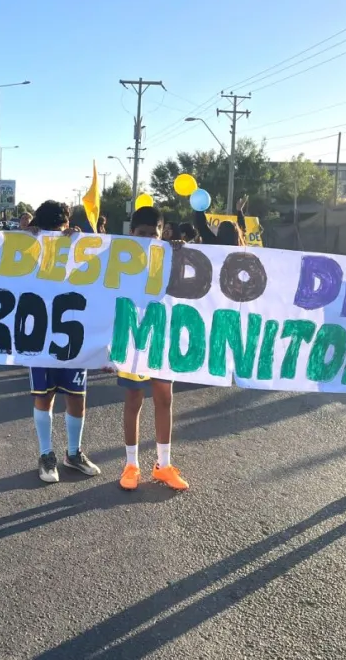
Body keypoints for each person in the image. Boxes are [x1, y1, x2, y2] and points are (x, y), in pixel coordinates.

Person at [26, 200, 99, 482]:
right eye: (51, 231)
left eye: (61, 229)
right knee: (44, 397)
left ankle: (73, 453)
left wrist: (79, 242)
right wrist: (27, 239)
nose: (58, 235)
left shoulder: (76, 246)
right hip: (38, 335)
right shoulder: (27, 247)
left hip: (72, 334)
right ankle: (46, 454)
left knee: (76, 396)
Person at [118, 206, 189, 492]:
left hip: (161, 335)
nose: (148, 238)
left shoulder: (171, 255)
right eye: (142, 233)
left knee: (164, 398)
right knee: (133, 400)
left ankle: (163, 465)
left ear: (163, 233)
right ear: (132, 233)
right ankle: (131, 465)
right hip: (132, 334)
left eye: (154, 233)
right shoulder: (118, 257)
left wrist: (182, 251)